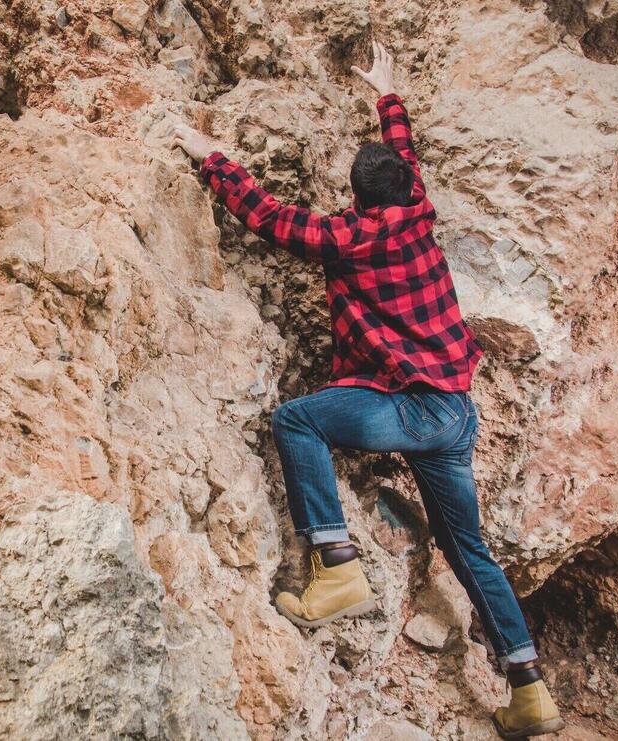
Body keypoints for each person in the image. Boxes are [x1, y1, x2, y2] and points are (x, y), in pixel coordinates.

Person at [170, 41, 565, 739]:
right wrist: (387, 92)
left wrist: (209, 154)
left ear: (357, 197)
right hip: (454, 411)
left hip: (409, 410)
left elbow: (266, 215)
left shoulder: (346, 237)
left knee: (298, 421)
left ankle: (338, 566)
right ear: (404, 189)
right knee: (469, 548)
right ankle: (530, 687)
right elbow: (403, 154)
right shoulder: (419, 208)